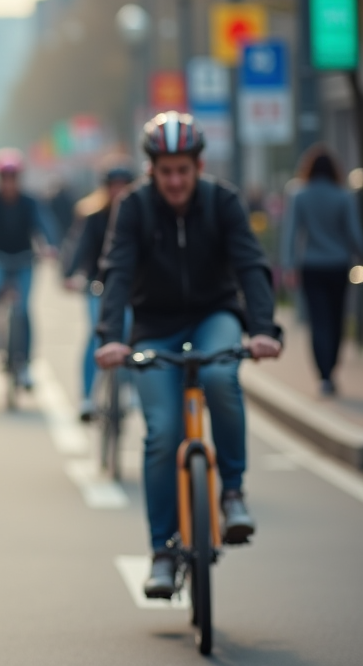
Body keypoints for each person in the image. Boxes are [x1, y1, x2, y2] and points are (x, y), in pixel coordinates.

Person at [95, 111, 283, 600]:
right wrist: (111, 337)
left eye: (184, 170)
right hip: (154, 327)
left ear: (199, 166)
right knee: (162, 433)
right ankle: (162, 552)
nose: (175, 180)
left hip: (214, 315)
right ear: (151, 170)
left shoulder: (224, 202)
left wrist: (263, 329)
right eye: (165, 171)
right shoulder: (134, 207)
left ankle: (234, 495)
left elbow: (251, 264)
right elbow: (116, 271)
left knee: (222, 377)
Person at [0, 148, 59, 387]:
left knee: (23, 310)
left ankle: (26, 364)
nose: (8, 183)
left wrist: (50, 245)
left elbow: (44, 223)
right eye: (4, 178)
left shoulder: (30, 201)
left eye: (13, 178)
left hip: (25, 258)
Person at [281, 145, 363, 396]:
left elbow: (291, 233)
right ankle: (332, 369)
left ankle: (323, 374)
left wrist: (288, 266)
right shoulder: (343, 196)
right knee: (337, 318)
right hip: (338, 265)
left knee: (318, 321)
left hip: (311, 265)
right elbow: (354, 233)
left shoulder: (299, 194)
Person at [63, 160, 136, 420]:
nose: (119, 192)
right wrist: (70, 274)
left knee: (131, 335)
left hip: (133, 289)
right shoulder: (94, 217)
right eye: (114, 187)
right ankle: (86, 396)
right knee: (97, 336)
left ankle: (128, 388)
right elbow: (80, 248)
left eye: (124, 187)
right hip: (99, 285)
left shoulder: (141, 216)